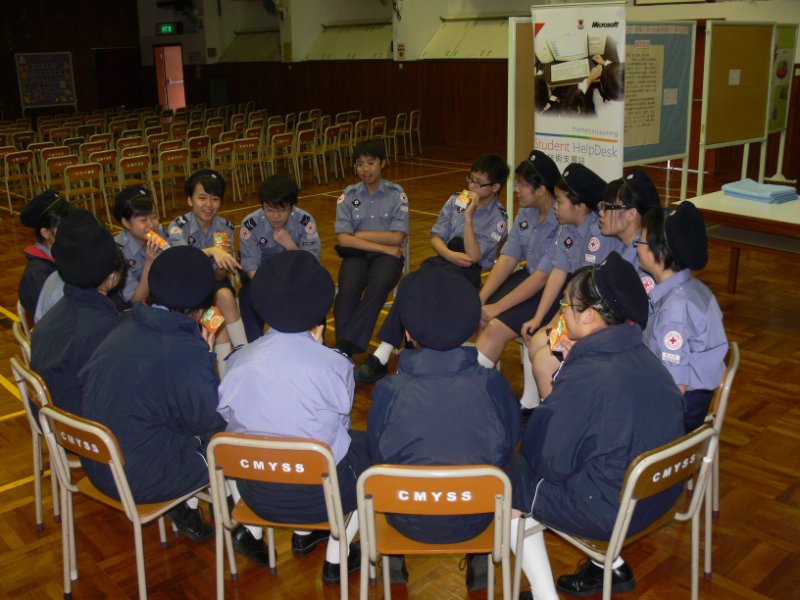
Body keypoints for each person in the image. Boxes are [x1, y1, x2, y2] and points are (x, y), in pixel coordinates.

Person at [511, 252, 685, 600]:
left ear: (589, 316)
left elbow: (548, 462)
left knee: (508, 477)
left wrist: (558, 387)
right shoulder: (644, 356)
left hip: (613, 511)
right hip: (658, 495)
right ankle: (612, 564)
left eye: (565, 305)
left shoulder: (589, 375)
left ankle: (544, 595)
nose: (561, 313)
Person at [218, 250, 367, 585]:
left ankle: (293, 534)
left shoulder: (238, 361)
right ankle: (336, 556)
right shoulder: (336, 365)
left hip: (256, 493)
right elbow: (340, 427)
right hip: (321, 498)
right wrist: (320, 349)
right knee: (364, 451)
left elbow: (228, 416)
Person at [367, 268, 520, 591]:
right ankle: (481, 557)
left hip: (405, 515)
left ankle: (393, 558)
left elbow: (378, 452)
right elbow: (509, 443)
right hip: (476, 514)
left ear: (407, 333)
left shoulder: (388, 391)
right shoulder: (492, 384)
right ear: (469, 328)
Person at [80, 246, 224, 544]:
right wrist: (207, 358)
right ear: (201, 310)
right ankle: (242, 527)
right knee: (229, 442)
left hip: (98, 463)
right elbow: (209, 419)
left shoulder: (124, 323)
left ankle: (188, 508)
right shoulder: (185, 351)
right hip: (140, 480)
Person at [354, 154, 510, 383]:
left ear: (495, 187)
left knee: (425, 291)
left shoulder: (499, 218)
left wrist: (469, 217)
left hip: (466, 273)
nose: (471, 186)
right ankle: (383, 355)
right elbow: (436, 236)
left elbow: (473, 256)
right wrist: (448, 254)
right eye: (470, 179)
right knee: (409, 284)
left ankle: (393, 355)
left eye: (478, 183)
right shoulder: (456, 199)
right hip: (444, 259)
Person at [517, 163, 619, 410]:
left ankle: (560, 413)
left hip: (596, 318)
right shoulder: (567, 227)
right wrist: (541, 319)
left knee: (544, 359)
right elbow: (558, 271)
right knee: (537, 338)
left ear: (580, 206)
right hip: (575, 310)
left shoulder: (599, 236)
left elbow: (587, 293)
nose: (555, 206)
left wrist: (558, 323)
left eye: (560, 201)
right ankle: (534, 405)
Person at [637, 201, 728, 432]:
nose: (637, 245)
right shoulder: (693, 288)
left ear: (658, 252)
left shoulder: (675, 311)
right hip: (690, 393)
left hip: (680, 408)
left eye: (641, 241)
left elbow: (674, 387)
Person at [31, 210, 124, 417]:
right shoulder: (104, 327)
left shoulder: (57, 313)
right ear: (112, 276)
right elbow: (117, 391)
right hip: (85, 424)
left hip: (53, 417)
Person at [474, 150, 561, 369]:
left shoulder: (562, 220)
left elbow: (542, 277)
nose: (516, 190)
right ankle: (482, 379)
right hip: (528, 277)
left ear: (541, 190)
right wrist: (482, 298)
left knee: (495, 326)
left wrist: (497, 308)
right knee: (479, 315)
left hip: (552, 290)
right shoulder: (526, 212)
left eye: (522, 185)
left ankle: (472, 382)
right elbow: (508, 258)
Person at [333, 139, 408, 358]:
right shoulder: (349, 195)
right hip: (361, 254)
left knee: (378, 287)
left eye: (371, 163)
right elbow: (343, 240)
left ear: (382, 163)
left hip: (387, 259)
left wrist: (359, 235)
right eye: (360, 164)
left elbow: (397, 237)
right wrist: (385, 248)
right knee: (348, 287)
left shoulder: (396, 194)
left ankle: (344, 347)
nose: (365, 169)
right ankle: (345, 347)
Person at [166, 169, 247, 369]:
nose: (209, 205)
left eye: (215, 199)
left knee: (223, 302)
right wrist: (211, 251)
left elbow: (219, 277)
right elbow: (183, 261)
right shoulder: (177, 227)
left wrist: (222, 263)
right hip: (187, 288)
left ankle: (244, 353)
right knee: (219, 326)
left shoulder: (225, 227)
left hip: (212, 284)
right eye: (202, 198)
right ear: (189, 200)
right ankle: (238, 364)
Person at [237, 174, 321, 341]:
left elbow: (311, 264)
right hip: (263, 280)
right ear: (262, 206)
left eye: (282, 209)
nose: (275, 216)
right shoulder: (250, 225)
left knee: (314, 295)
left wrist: (290, 245)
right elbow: (251, 268)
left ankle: (312, 343)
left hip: (296, 278)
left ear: (292, 206)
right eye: (269, 209)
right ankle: (254, 345)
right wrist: (275, 289)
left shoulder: (305, 221)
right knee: (248, 296)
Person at [112, 186, 169, 307]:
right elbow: (137, 300)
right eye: (143, 220)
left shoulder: (161, 233)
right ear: (126, 223)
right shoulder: (118, 251)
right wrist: (149, 262)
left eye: (154, 216)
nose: (151, 224)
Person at [18, 190, 72, 317]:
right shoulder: (37, 274)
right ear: (46, 233)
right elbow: (52, 320)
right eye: (63, 227)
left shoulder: (66, 254)